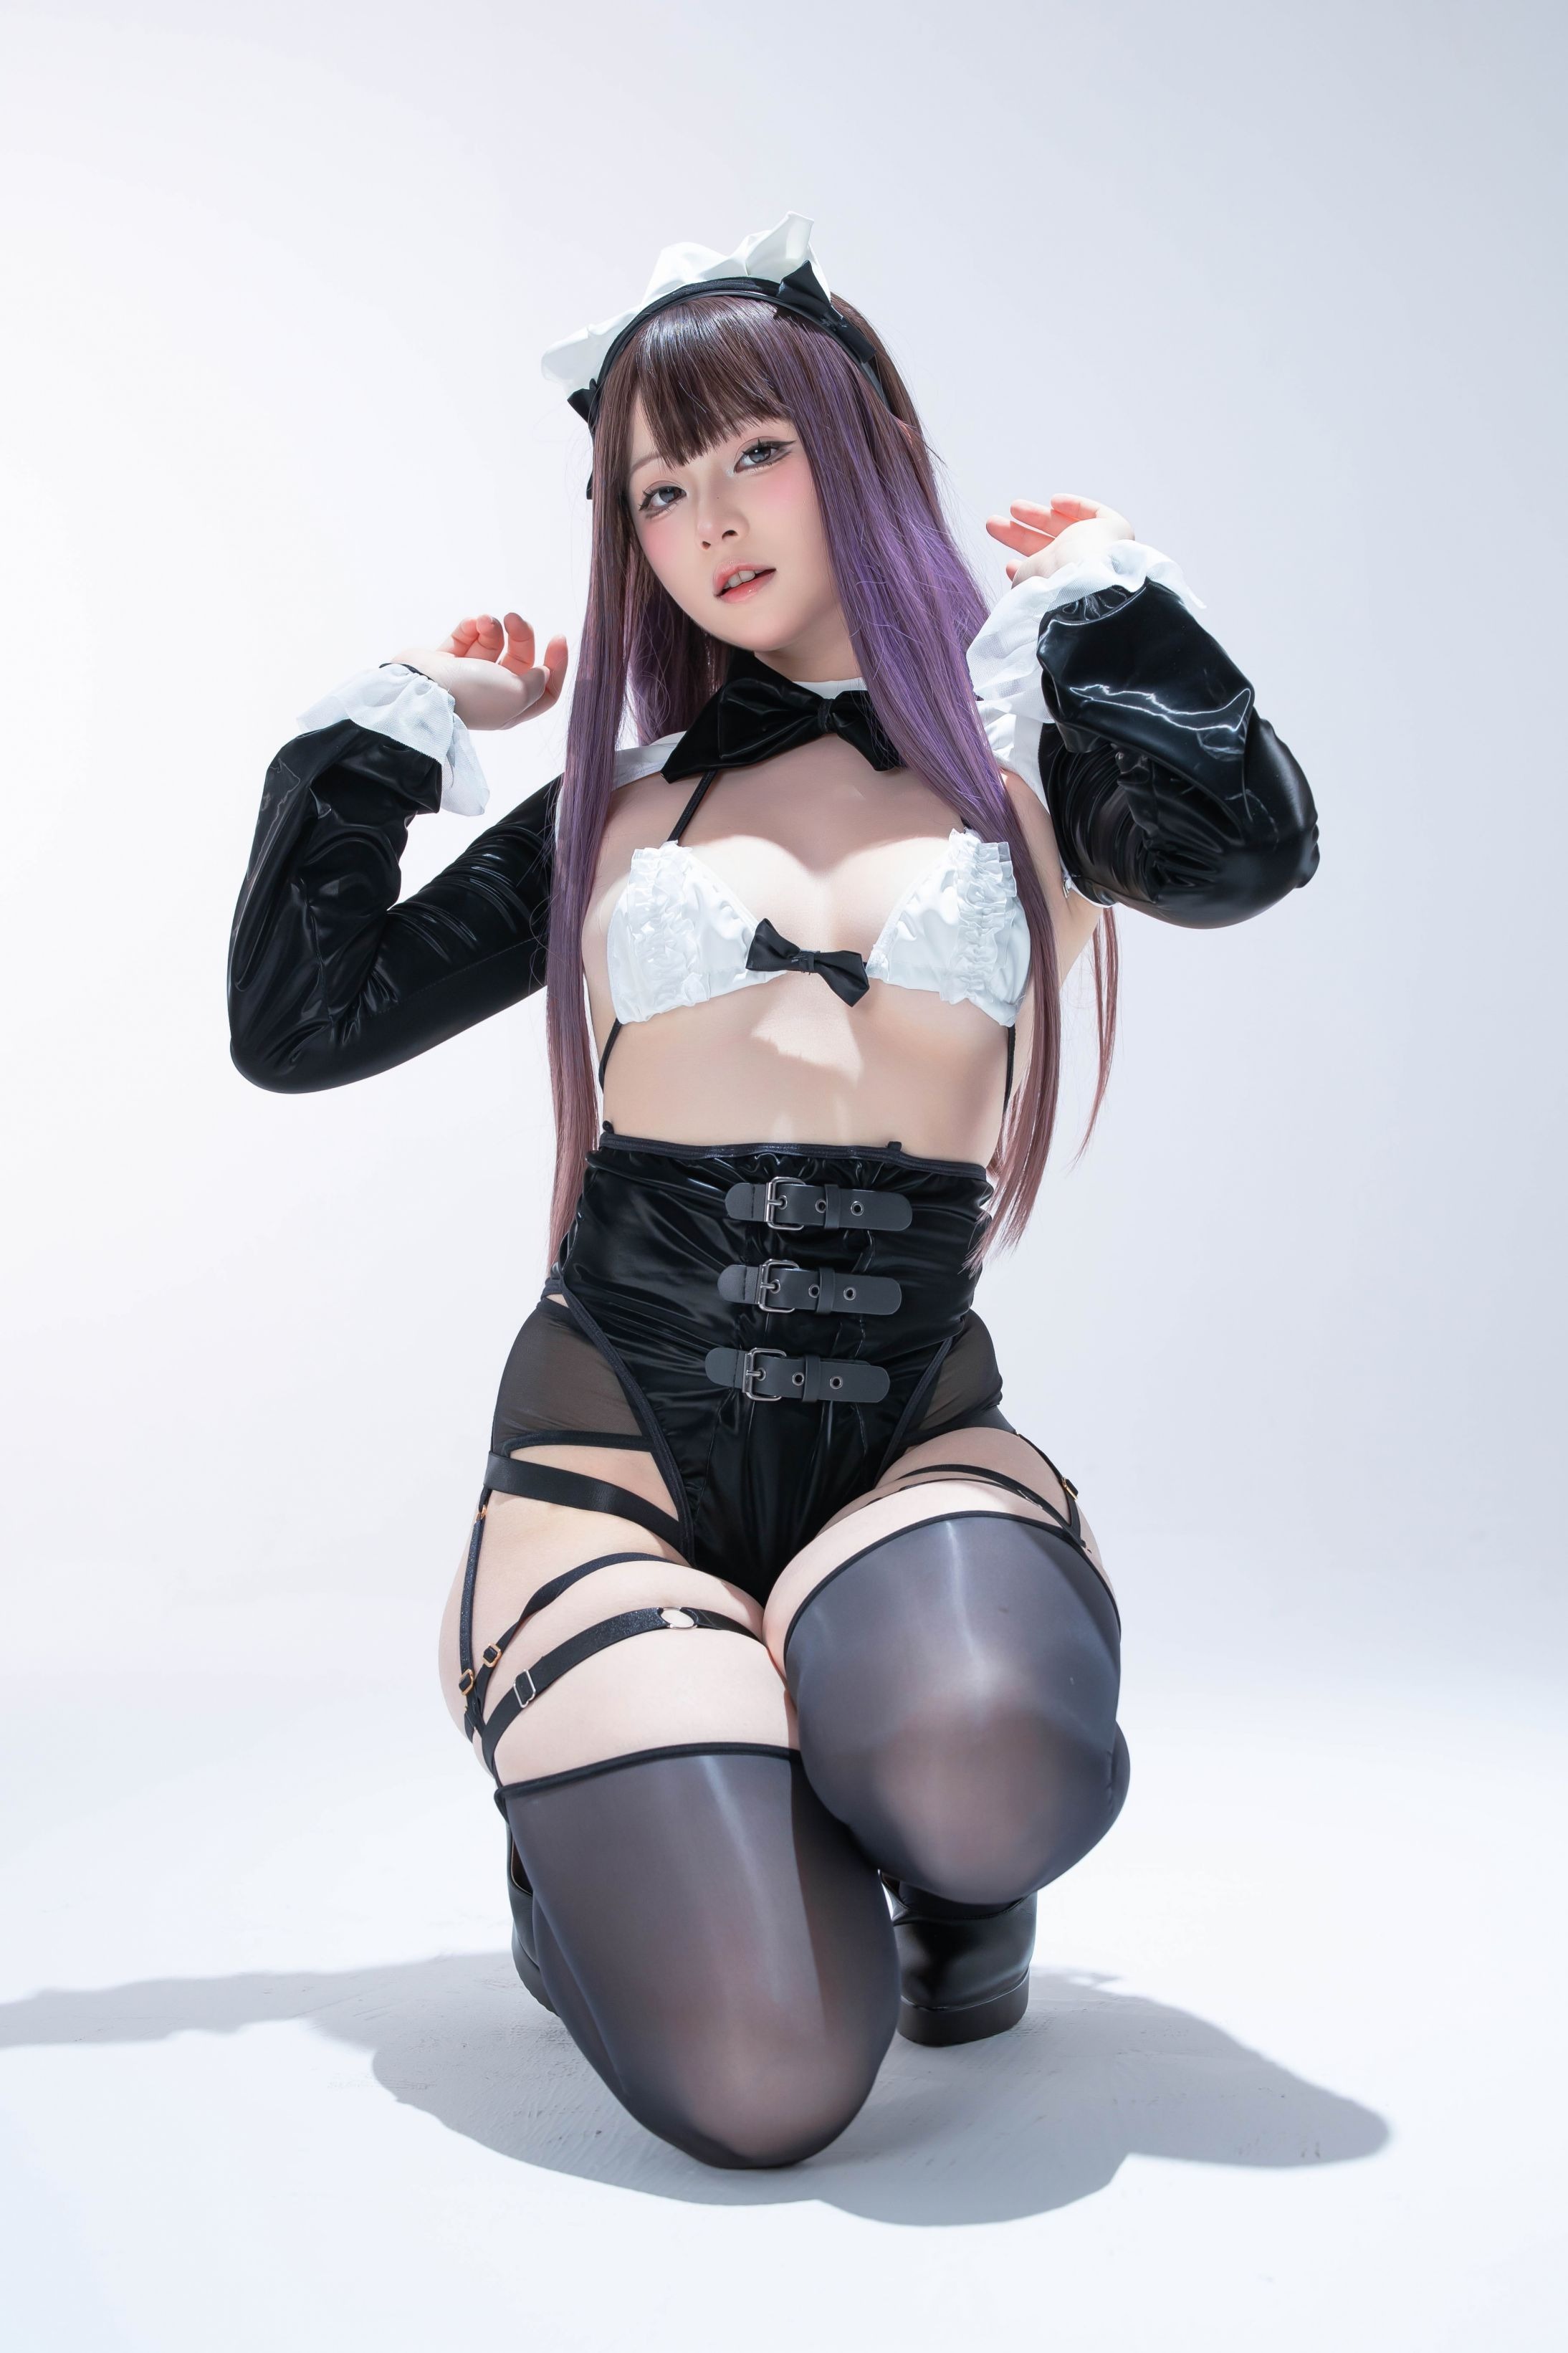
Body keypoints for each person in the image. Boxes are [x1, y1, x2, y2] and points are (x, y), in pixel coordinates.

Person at [228, 215, 1318, 2171]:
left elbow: (1245, 854)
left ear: (868, 443)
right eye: (657, 489)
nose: (709, 519)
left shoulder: (1031, 774)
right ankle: (609, 1837)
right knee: (770, 2084)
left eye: (754, 451)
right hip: (615, 1462)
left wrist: (1106, 615)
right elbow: (303, 1023)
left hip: (907, 1452)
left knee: (989, 1774)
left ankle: (913, 1826)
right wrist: (402, 714)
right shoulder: (618, 804)